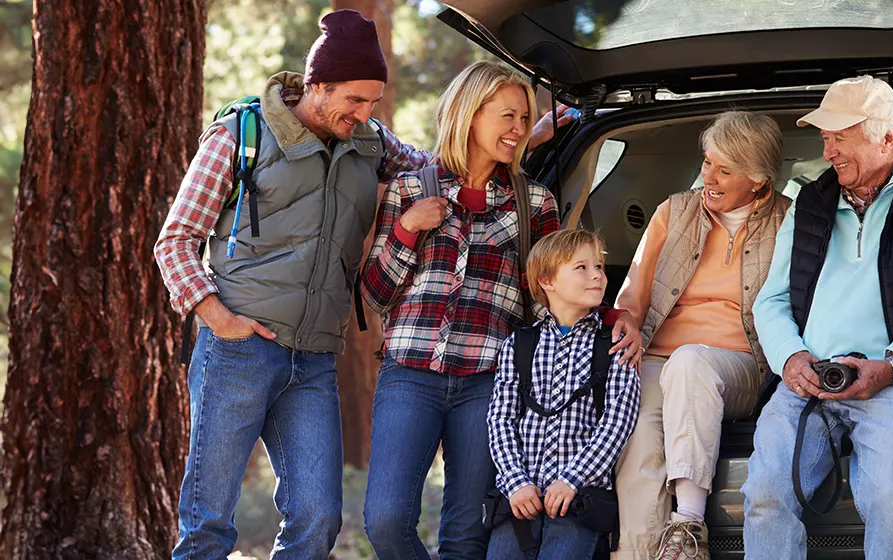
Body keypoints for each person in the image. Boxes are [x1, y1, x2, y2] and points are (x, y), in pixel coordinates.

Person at [153, 11, 572, 558]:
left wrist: (526, 137)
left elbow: (447, 165)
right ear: (317, 86)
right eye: (354, 100)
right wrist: (216, 317)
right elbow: (175, 240)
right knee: (209, 521)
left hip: (315, 357)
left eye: (374, 102)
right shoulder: (241, 136)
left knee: (319, 520)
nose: (365, 114)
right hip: (239, 348)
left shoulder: (368, 141)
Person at [359, 60, 639, 560]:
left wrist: (617, 316)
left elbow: (554, 292)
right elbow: (377, 294)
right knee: (384, 519)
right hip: (409, 373)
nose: (517, 130)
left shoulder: (536, 204)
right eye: (507, 116)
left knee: (467, 534)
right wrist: (407, 230)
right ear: (470, 114)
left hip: (489, 381)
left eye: (524, 118)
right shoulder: (410, 189)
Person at [741, 75, 893, 559]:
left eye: (840, 136)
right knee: (765, 496)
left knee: (887, 499)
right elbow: (770, 300)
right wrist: (791, 358)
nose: (830, 150)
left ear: (886, 137)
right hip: (808, 378)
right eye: (825, 138)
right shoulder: (810, 202)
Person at [611, 111, 791, 560]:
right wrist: (629, 321)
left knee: (692, 362)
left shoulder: (790, 220)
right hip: (657, 358)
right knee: (636, 442)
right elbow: (633, 292)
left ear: (758, 179)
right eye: (707, 162)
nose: (707, 177)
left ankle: (688, 525)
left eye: (724, 170)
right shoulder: (673, 210)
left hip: (742, 363)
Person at [486, 229, 640, 559]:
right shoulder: (520, 344)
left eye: (599, 266)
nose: (597, 275)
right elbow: (500, 419)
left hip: (578, 500)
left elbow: (618, 422)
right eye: (581, 268)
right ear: (547, 281)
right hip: (519, 500)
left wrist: (572, 479)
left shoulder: (614, 344)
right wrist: (515, 481)